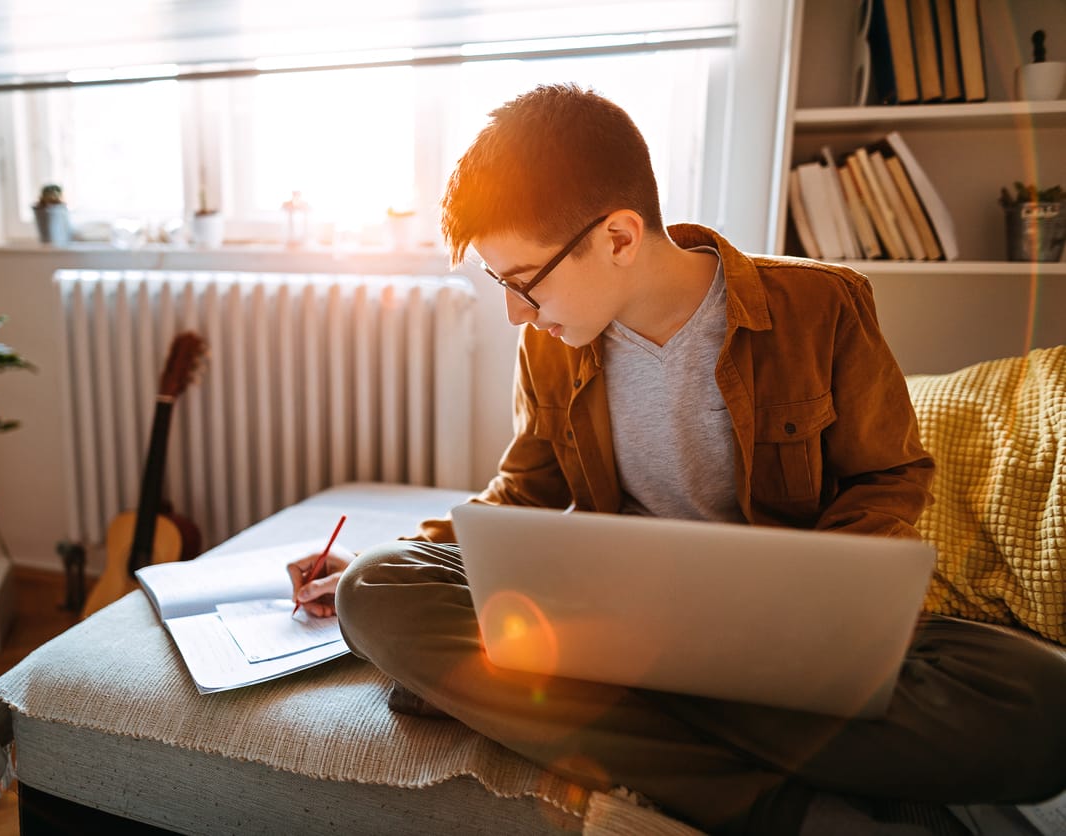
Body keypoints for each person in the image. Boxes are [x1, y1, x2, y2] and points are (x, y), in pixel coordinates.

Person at [287, 84, 1066, 835]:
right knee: (377, 588)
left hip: (782, 631)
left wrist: (819, 607)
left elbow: (889, 476)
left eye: (524, 282)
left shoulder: (823, 306)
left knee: (1041, 705)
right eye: (501, 283)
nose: (514, 312)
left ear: (619, 238)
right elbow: (520, 495)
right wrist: (409, 553)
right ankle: (775, 809)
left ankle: (554, 710)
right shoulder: (549, 348)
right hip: (611, 619)